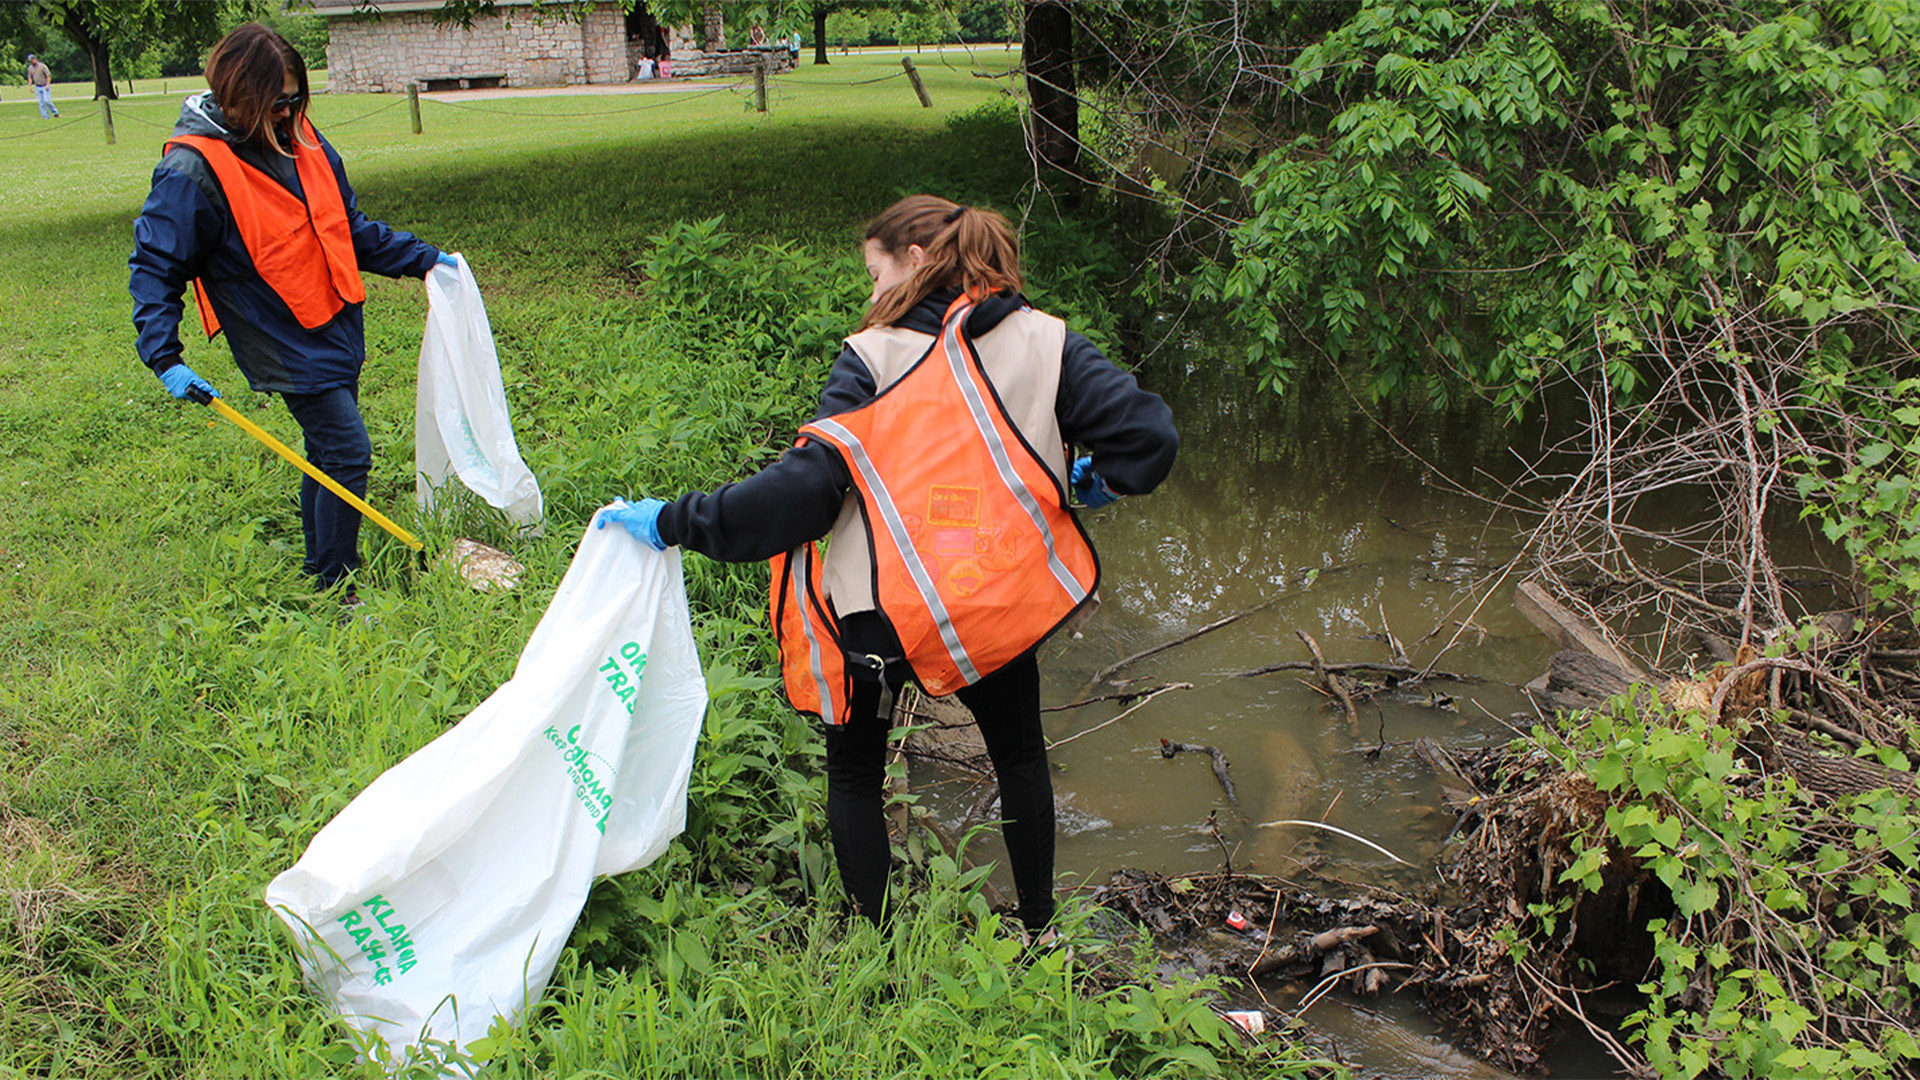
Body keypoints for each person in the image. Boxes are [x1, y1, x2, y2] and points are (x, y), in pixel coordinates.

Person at [598, 196, 1178, 933]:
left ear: (913, 260)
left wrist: (675, 520)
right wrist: (1097, 480)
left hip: (879, 618)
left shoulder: (874, 357)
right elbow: (1149, 441)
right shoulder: (1045, 340)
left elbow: (807, 494)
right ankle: (1037, 933)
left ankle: (876, 946)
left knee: (855, 773)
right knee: (1020, 761)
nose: (871, 294)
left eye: (874, 273)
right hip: (986, 602)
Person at [128, 23, 455, 601]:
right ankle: (336, 583)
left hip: (335, 318)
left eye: (295, 99)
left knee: (328, 451)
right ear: (236, 96)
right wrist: (163, 354)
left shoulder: (299, 134)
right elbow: (156, 264)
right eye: (276, 102)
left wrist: (424, 259)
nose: (289, 114)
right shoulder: (191, 170)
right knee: (349, 452)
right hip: (280, 337)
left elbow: (346, 226)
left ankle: (318, 561)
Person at [26, 54, 56, 118]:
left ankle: (55, 112)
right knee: (41, 103)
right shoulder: (30, 68)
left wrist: (47, 84)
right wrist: (30, 86)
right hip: (37, 86)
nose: (31, 62)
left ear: (35, 59)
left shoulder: (42, 66)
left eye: (32, 60)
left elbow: (48, 75)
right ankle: (45, 116)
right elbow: (30, 77)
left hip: (44, 85)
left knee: (47, 100)